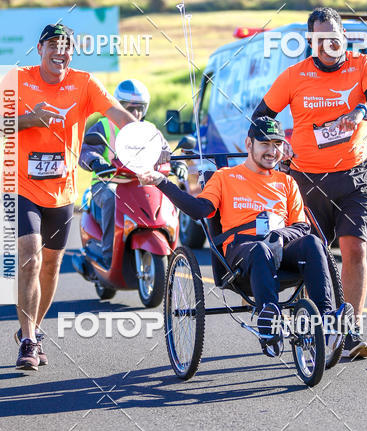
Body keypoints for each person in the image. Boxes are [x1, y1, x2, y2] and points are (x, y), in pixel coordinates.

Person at [0, 23, 137, 372]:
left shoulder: (84, 83)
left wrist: (147, 139)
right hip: (20, 185)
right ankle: (28, 342)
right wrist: (29, 119)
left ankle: (33, 329)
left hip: (61, 190)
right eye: (53, 45)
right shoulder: (17, 79)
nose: (60, 52)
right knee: (31, 256)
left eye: (66, 47)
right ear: (39, 49)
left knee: (51, 264)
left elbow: (118, 116)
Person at [139, 117, 351, 358]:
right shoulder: (224, 177)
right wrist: (162, 183)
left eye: (278, 145)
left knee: (313, 243)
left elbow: (301, 226)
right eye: (265, 144)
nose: (272, 151)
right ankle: (269, 321)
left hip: (281, 249)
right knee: (260, 249)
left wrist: (278, 236)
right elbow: (199, 210)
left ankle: (326, 321)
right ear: (249, 143)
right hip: (243, 253)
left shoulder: (287, 182)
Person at [253, 7, 367, 359]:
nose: (327, 43)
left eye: (333, 37)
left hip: (354, 176)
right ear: (310, 41)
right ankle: (319, 324)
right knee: (315, 256)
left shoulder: (362, 67)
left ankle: (352, 329)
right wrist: (277, 143)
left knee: (354, 249)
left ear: (343, 37)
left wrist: (359, 112)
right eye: (319, 38)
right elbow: (262, 116)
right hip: (305, 180)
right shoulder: (295, 76)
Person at [79, 79, 151, 268]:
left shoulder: (148, 130)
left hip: (138, 183)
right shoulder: (104, 125)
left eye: (140, 108)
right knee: (112, 196)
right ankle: (108, 254)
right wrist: (95, 160)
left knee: (165, 194)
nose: (135, 114)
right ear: (119, 107)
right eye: (129, 108)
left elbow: (163, 148)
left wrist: (173, 160)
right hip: (105, 183)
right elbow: (85, 149)